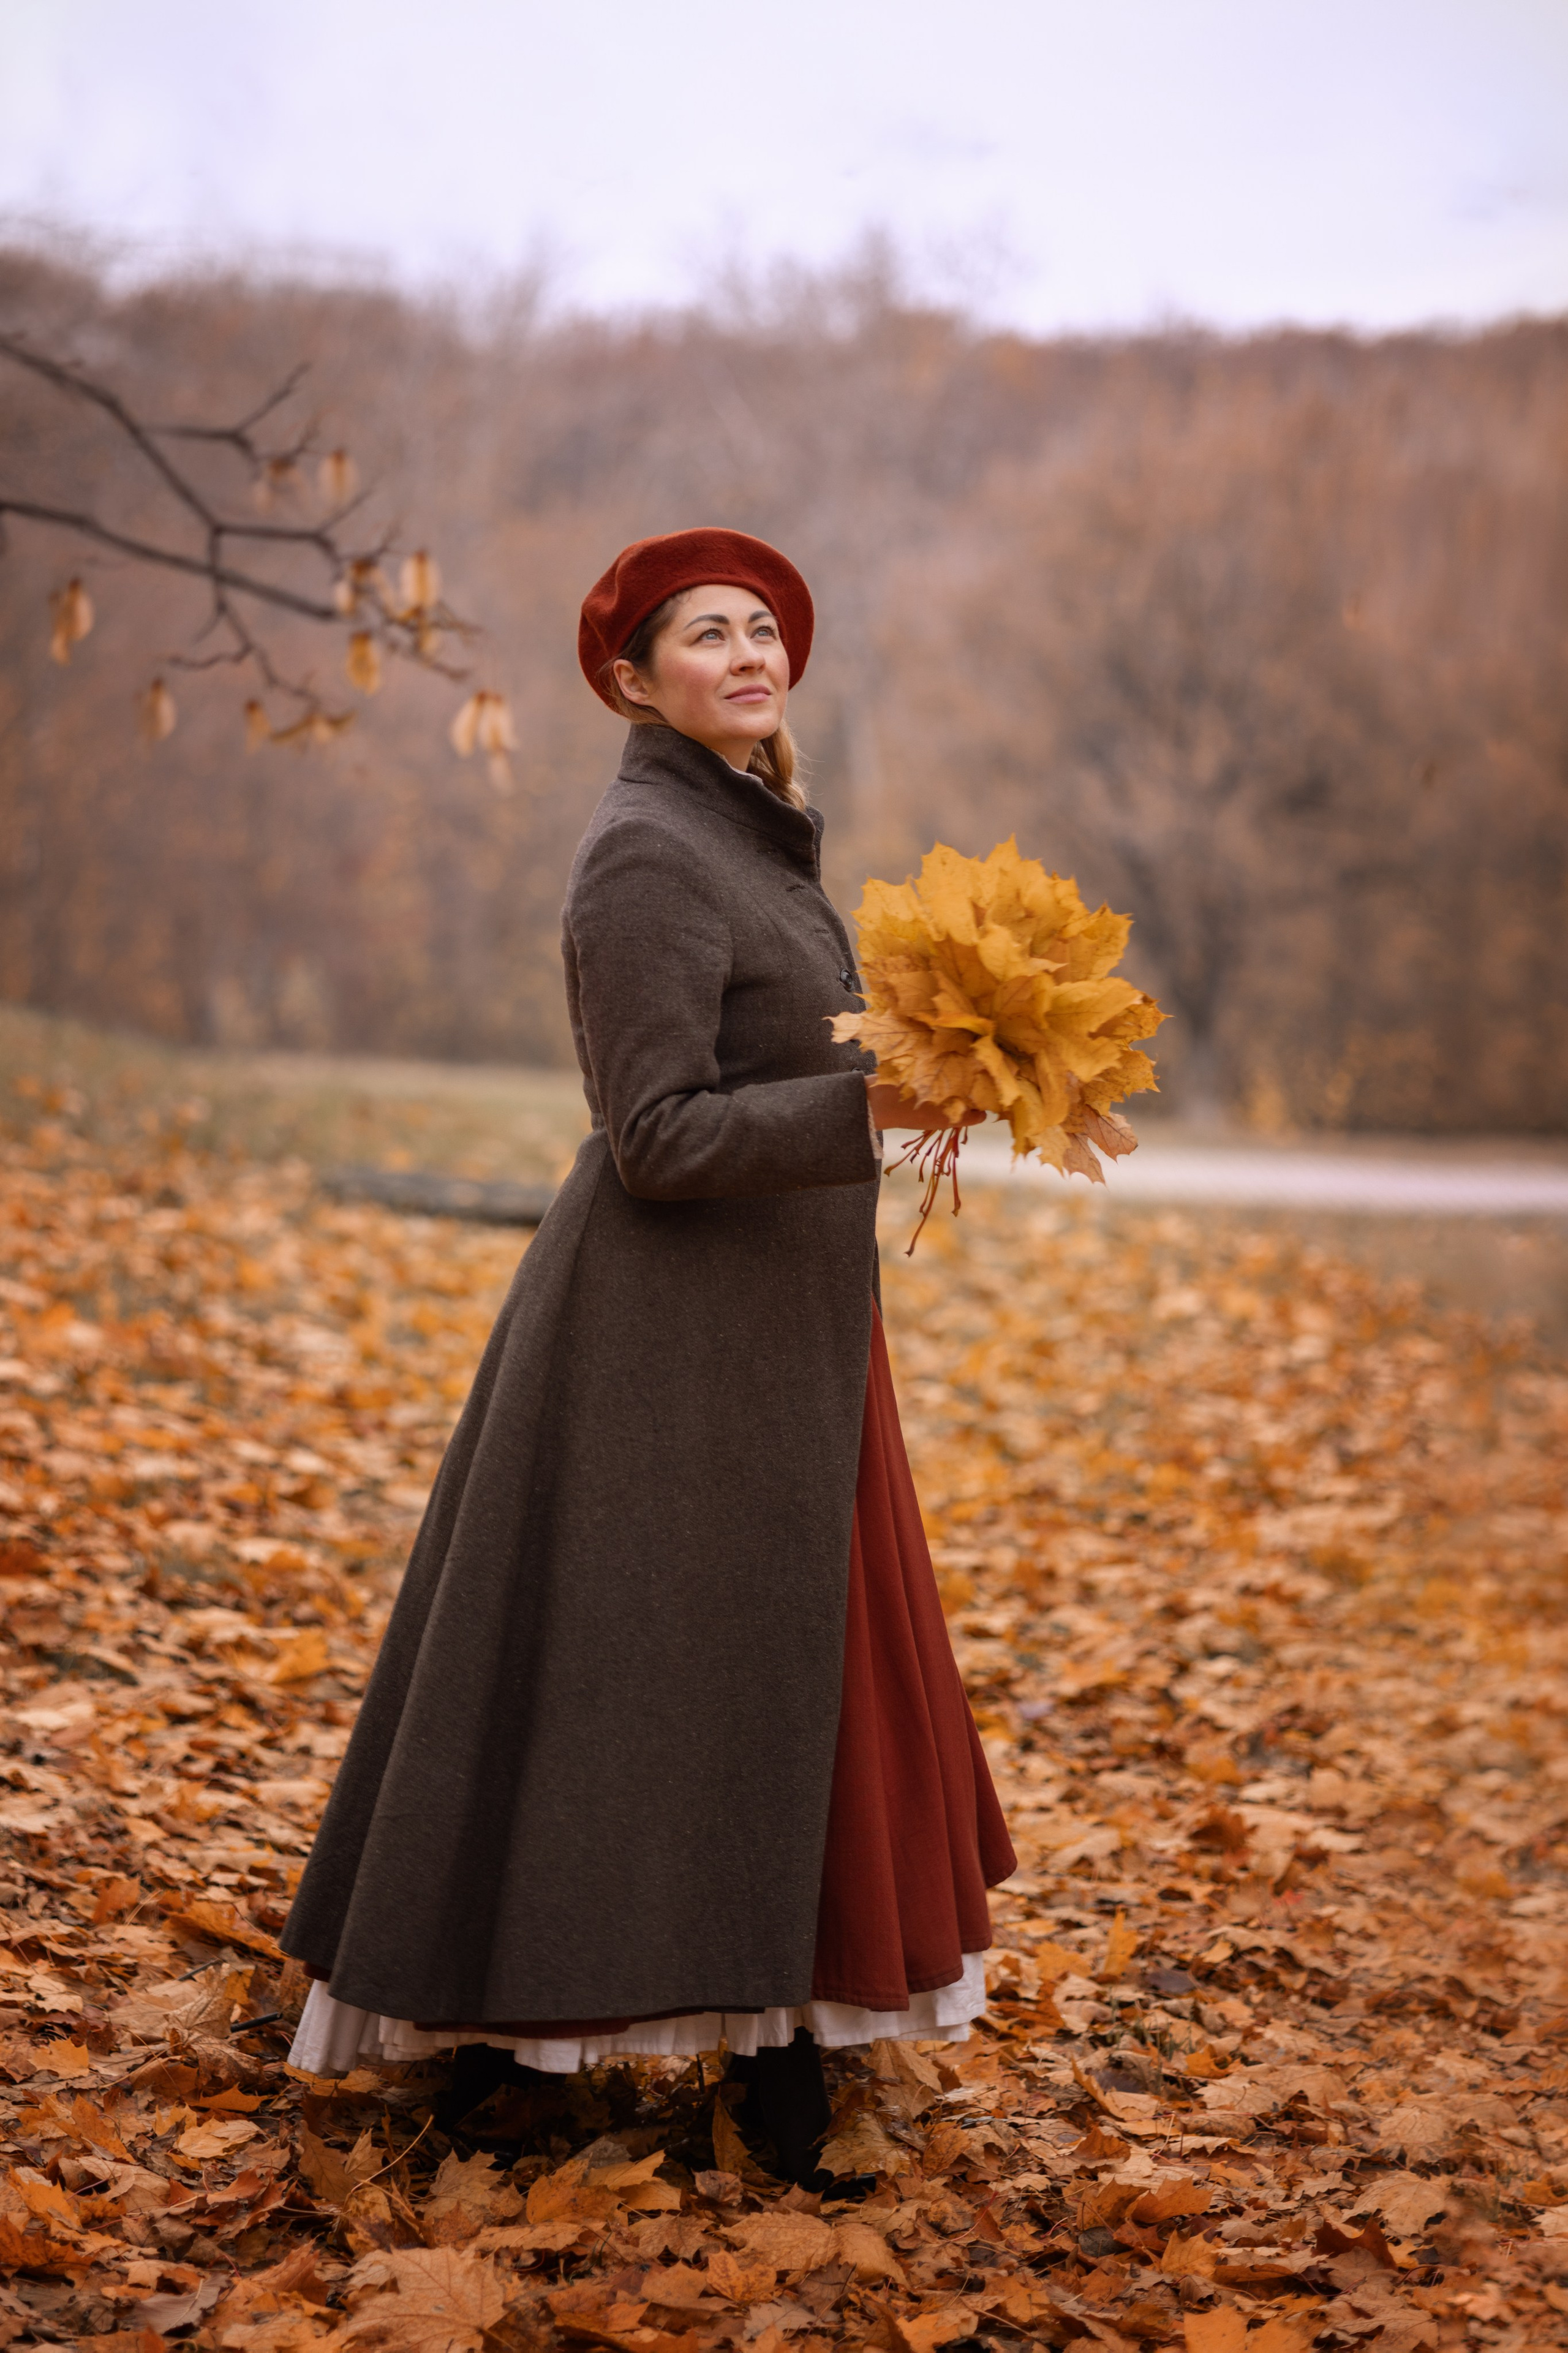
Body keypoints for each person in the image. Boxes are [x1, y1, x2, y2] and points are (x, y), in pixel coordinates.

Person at [282, 527, 1015, 2191]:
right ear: (634, 676)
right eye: (709, 634)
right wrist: (874, 1108)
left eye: (765, 628)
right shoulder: (649, 853)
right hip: (660, 1354)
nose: (751, 653)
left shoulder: (753, 834)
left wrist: (940, 1054)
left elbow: (773, 1059)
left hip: (780, 1337)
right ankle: (583, 2035)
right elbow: (657, 1134)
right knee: (651, 1689)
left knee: (784, 1677)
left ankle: (775, 2034)